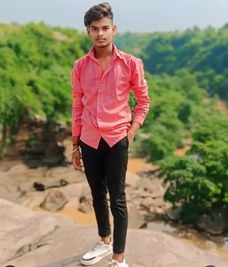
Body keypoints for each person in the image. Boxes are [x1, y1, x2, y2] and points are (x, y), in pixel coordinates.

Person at [71, 2, 150, 267]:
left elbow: (143, 101)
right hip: (89, 139)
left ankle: (119, 258)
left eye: (105, 28)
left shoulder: (130, 63)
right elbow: (77, 104)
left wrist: (132, 131)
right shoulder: (80, 67)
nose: (100, 34)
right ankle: (104, 242)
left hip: (118, 138)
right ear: (88, 31)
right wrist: (74, 144)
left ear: (113, 29)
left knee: (117, 198)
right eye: (95, 29)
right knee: (96, 194)